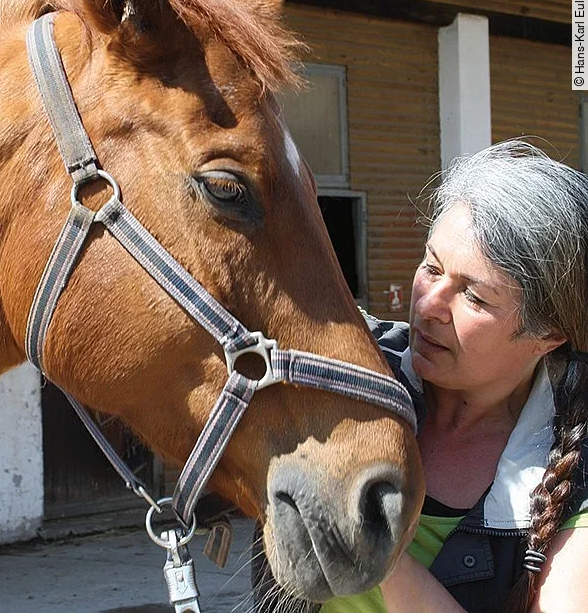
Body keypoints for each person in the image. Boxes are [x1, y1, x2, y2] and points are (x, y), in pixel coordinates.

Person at [252, 140, 588, 613]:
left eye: (473, 297)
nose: (429, 307)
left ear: (548, 333)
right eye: (432, 267)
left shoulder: (576, 468)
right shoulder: (349, 369)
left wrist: (371, 543)